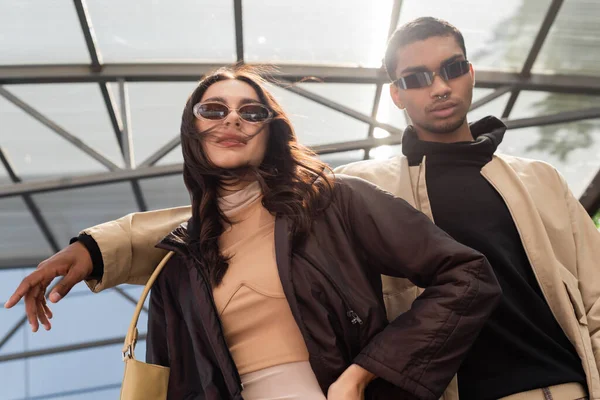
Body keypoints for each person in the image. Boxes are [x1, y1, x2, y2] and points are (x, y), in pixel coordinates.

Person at [6, 16, 599, 400]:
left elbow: (593, 297)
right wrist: (95, 248)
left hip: (559, 383)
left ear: (470, 74)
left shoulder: (536, 179)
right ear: (396, 94)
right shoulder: (369, 181)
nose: (437, 86)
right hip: (451, 388)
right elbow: (219, 217)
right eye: (416, 76)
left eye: (449, 70)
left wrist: (361, 376)